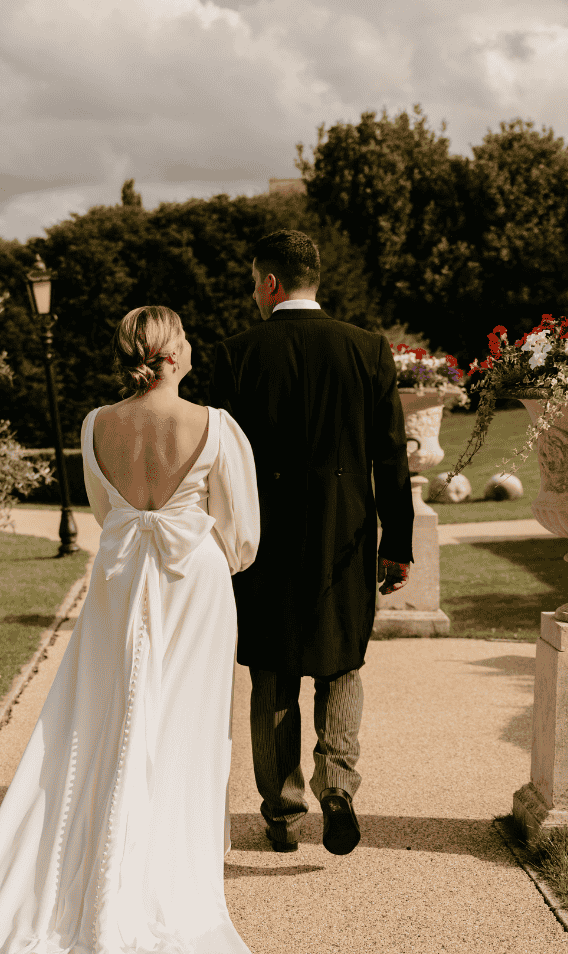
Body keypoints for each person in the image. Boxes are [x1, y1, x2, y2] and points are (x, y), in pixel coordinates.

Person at [0, 305, 259, 954]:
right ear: (172, 354)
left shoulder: (95, 426)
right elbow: (245, 534)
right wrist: (208, 558)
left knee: (103, 717)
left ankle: (95, 861)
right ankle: (168, 868)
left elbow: (102, 510)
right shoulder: (218, 427)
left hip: (118, 578)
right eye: (188, 338)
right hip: (194, 585)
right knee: (185, 725)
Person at [208, 229, 414, 854]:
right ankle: (338, 788)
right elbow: (391, 460)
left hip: (261, 545)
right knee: (341, 664)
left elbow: (218, 465)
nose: (252, 294)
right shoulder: (368, 350)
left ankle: (282, 809)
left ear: (270, 283)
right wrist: (397, 544)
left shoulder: (235, 355)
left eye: (252, 282)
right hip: (344, 536)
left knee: (273, 675)